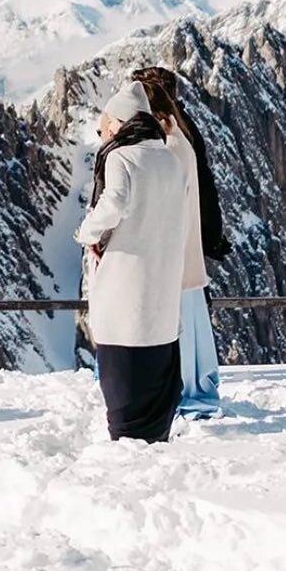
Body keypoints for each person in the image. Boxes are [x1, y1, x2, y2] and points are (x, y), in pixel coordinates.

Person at [75, 83, 189, 443]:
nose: (104, 132)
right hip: (163, 289)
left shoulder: (120, 157)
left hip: (126, 283)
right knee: (156, 382)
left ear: (119, 123)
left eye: (106, 124)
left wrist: (87, 233)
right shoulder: (170, 158)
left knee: (123, 384)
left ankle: (127, 450)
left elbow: (114, 204)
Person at [133, 70, 224, 417]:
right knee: (188, 317)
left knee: (176, 322)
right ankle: (191, 383)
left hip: (172, 248)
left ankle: (182, 388)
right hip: (186, 245)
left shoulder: (167, 143)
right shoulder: (181, 133)